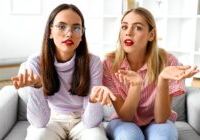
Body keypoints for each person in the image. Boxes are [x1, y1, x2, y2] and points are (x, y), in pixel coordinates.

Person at [90, 7, 199, 140]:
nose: (128, 33)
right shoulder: (109, 63)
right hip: (124, 121)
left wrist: (162, 80)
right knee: (129, 137)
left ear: (151, 35)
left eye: (137, 28)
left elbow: (161, 119)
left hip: (157, 121)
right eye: (124, 27)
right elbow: (126, 116)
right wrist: (136, 86)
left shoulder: (169, 61)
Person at [11, 4, 108, 140]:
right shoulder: (35, 61)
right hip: (52, 118)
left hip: (83, 119)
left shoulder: (93, 62)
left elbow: (91, 122)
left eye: (76, 28)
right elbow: (39, 122)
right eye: (62, 26)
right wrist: (37, 86)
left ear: (81, 35)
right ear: (50, 31)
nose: (69, 33)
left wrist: (93, 100)